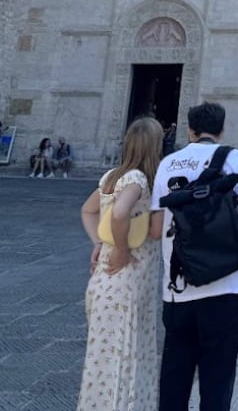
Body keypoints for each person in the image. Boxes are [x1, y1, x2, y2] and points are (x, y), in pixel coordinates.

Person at [150, 101, 238, 411]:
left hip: (177, 291)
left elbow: (157, 229)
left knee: (174, 377)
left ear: (190, 130)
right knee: (218, 379)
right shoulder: (234, 158)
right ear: (222, 130)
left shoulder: (168, 163)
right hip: (226, 287)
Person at [76, 116, 162, 411]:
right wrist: (122, 250)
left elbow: (88, 211)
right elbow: (119, 213)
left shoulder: (110, 176)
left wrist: (100, 243)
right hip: (125, 281)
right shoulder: (138, 179)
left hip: (102, 282)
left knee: (102, 362)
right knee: (124, 362)